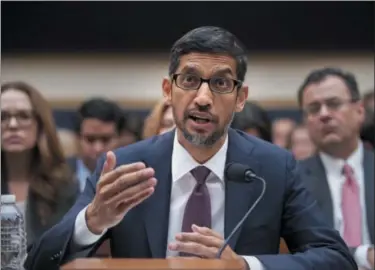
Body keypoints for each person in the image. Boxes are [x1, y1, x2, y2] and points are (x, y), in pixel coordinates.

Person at [25, 26, 356, 270]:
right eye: (189, 80)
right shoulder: (125, 166)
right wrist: (93, 220)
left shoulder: (273, 167)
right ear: (168, 90)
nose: (203, 97)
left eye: (221, 83)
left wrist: (243, 266)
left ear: (240, 99)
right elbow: (39, 263)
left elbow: (336, 259)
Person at [297, 67, 374, 269]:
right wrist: (364, 255)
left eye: (333, 104)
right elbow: (298, 249)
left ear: (359, 111)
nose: (324, 115)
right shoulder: (292, 178)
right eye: (314, 109)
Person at [1, 81, 79, 247]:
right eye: (3, 117)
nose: (12, 125)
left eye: (23, 116)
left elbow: (68, 249)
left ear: (40, 124)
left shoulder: (63, 184)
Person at [66, 98, 125, 193]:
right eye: (90, 139)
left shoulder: (133, 176)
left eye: (106, 139)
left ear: (119, 139)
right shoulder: (56, 176)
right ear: (77, 138)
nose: (98, 148)